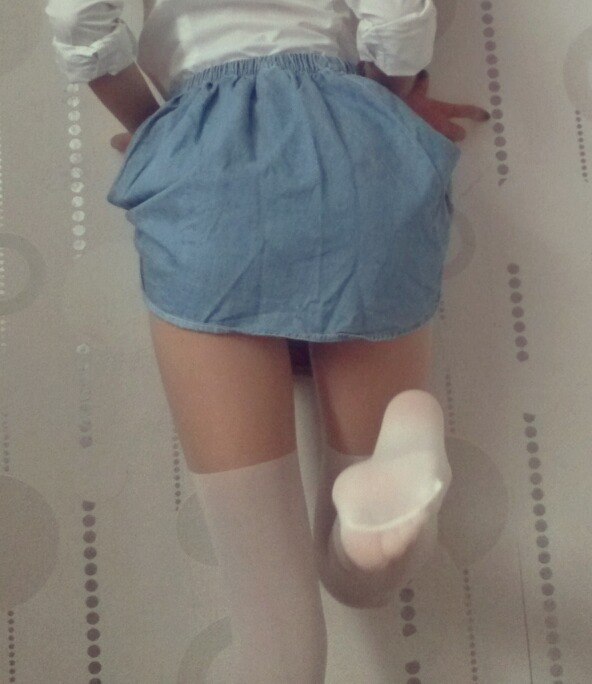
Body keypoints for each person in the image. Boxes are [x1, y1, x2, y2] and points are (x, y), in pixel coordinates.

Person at [44, 0, 489, 681]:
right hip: (359, 156)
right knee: (360, 577)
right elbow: (400, 16)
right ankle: (390, 471)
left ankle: (376, 508)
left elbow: (79, 16)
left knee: (273, 619)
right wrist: (383, 105)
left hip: (205, 168)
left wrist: (154, 128)